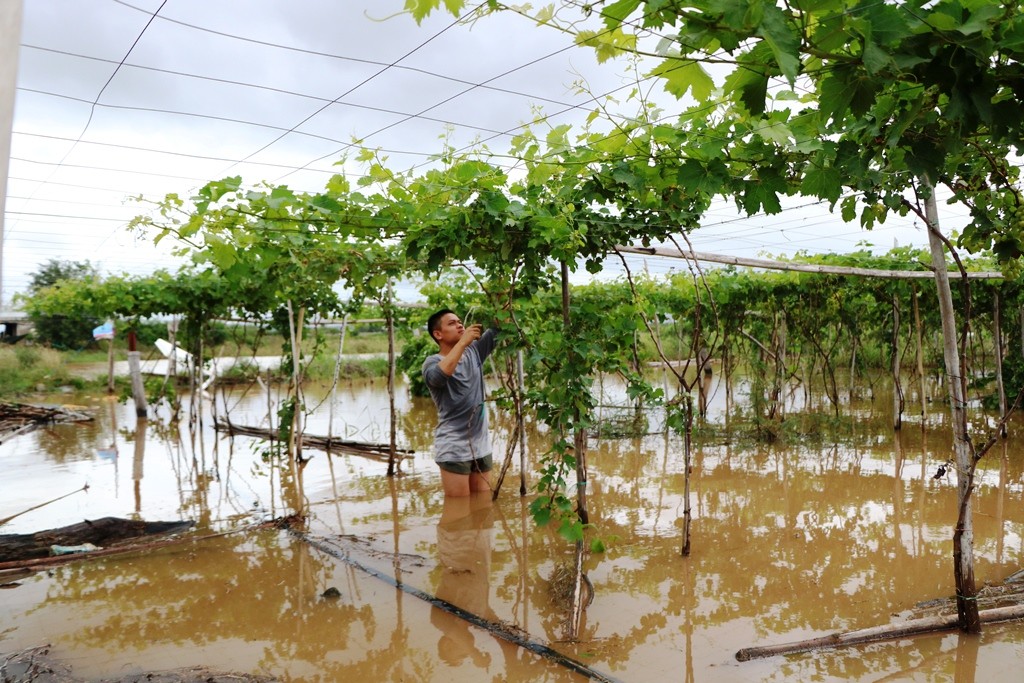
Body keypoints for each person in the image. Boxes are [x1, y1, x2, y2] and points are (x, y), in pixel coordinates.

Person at [422, 308, 498, 497]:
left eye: (459, 321)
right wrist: (463, 342)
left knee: (483, 508)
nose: (459, 325)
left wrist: (502, 293)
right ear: (437, 334)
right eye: (451, 323)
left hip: (481, 446)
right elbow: (438, 378)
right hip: (453, 447)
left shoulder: (474, 353)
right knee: (459, 513)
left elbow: (500, 326)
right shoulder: (432, 362)